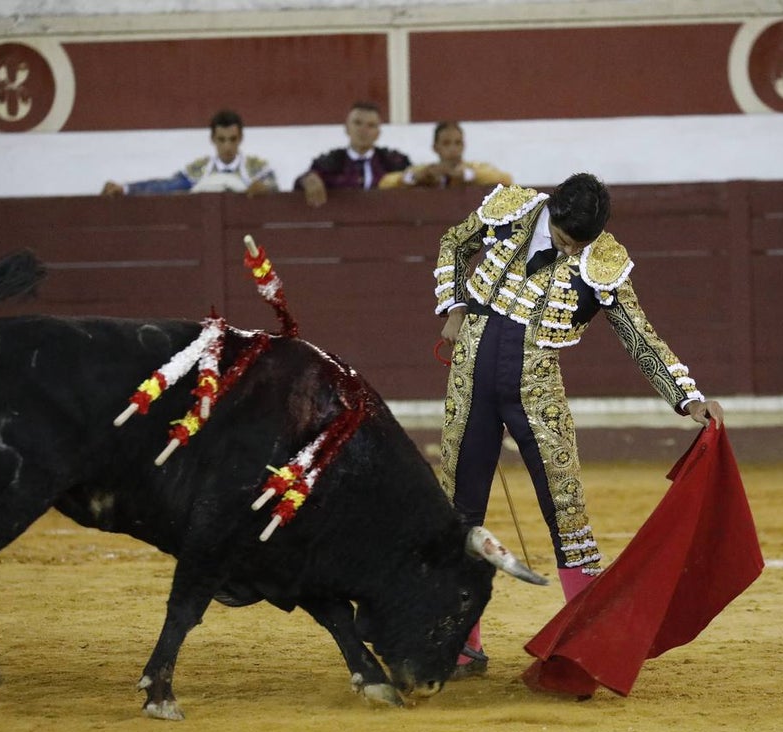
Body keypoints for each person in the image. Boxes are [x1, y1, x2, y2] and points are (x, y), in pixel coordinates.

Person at [433, 172, 724, 678]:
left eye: (580, 244)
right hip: (472, 375)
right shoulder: (513, 210)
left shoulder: (602, 259)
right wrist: (455, 303)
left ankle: (588, 642)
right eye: (566, 239)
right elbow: (455, 242)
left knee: (567, 508)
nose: (571, 251)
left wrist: (688, 397)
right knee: (459, 507)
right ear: (553, 213)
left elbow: (639, 335)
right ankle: (460, 641)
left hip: (536, 386)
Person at [101, 110, 277, 197]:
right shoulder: (201, 168)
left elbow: (274, 189)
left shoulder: (257, 168)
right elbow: (166, 185)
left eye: (232, 139)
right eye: (221, 140)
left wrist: (265, 189)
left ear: (241, 138)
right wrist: (125, 188)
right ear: (212, 139)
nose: (227, 146)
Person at [294, 101, 410, 207]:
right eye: (357, 123)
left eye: (371, 125)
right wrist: (307, 179)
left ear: (378, 133)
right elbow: (301, 185)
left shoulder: (394, 162)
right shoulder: (330, 162)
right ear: (347, 128)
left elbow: (414, 179)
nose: (363, 130)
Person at [379, 121, 512, 189]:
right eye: (446, 143)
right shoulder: (426, 171)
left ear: (463, 146)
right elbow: (384, 183)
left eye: (457, 143)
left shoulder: (473, 169)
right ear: (435, 147)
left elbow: (506, 180)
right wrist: (417, 177)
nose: (453, 148)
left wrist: (467, 175)